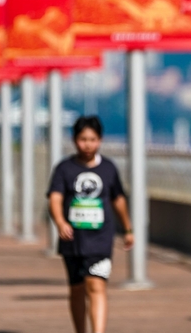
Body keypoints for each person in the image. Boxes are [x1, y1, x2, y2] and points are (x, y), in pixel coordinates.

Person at [47, 115, 134, 333]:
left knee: (96, 285)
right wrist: (60, 222)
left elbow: (118, 199)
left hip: (100, 239)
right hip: (73, 240)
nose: (88, 144)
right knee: (77, 289)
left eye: (93, 139)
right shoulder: (64, 168)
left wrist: (128, 228)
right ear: (74, 140)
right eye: (83, 139)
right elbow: (55, 198)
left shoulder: (108, 168)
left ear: (100, 140)